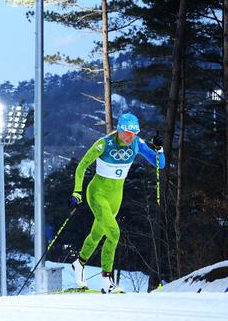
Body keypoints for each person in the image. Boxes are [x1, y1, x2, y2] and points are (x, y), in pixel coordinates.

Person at [69, 113, 165, 294]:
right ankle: (107, 281)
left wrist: (159, 149)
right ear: (119, 130)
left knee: (97, 235)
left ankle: (79, 263)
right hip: (97, 194)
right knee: (114, 233)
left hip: (116, 197)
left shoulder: (137, 144)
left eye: (134, 133)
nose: (130, 137)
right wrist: (77, 192)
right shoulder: (104, 143)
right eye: (127, 133)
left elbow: (160, 164)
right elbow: (82, 165)